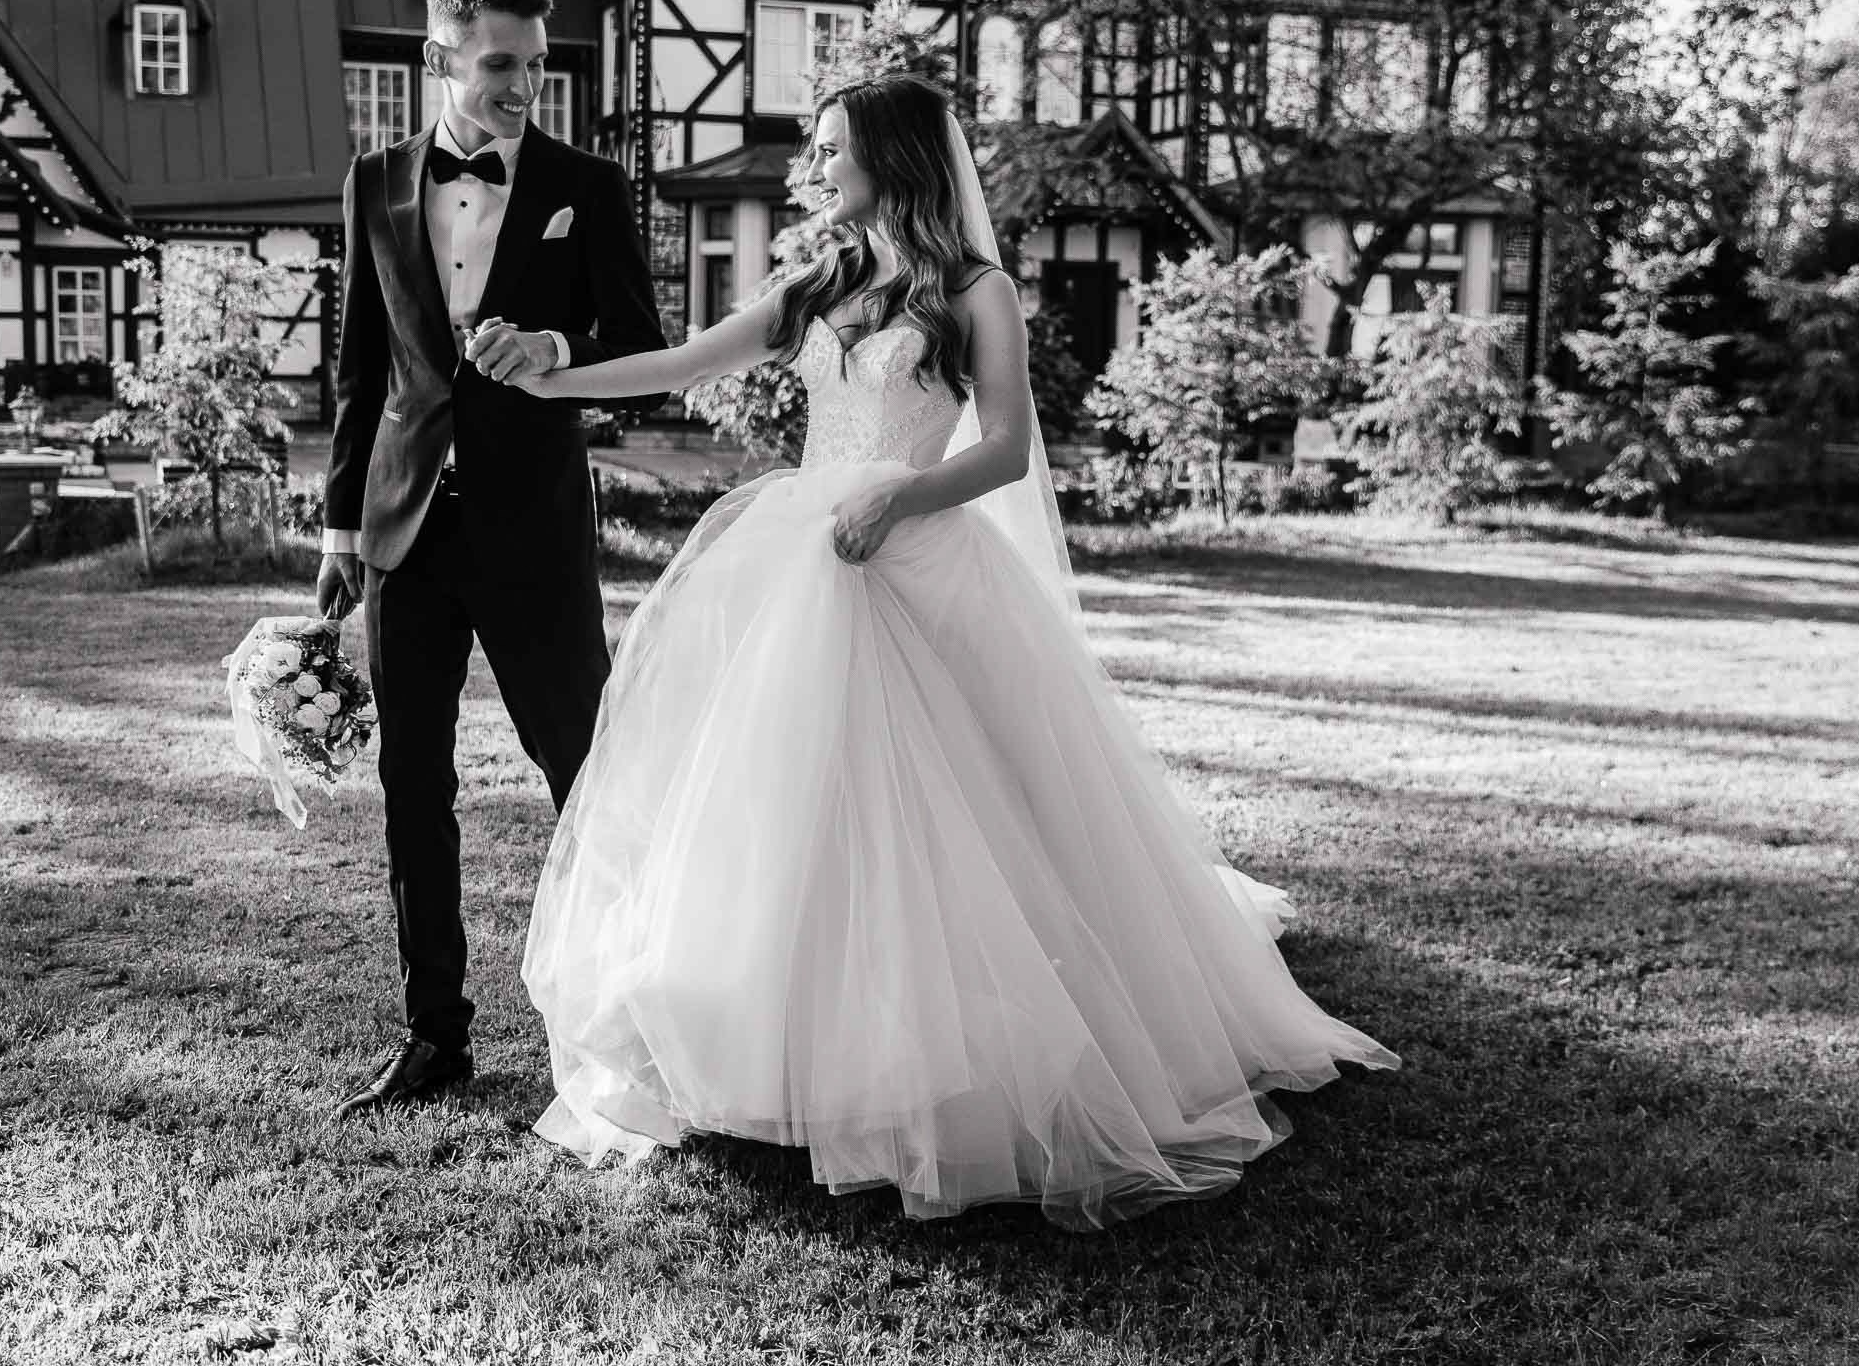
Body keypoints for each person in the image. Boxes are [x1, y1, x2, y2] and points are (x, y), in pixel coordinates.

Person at [509, 72, 1396, 1228]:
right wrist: (554, 378)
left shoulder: (977, 291)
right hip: (796, 556)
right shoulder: (819, 277)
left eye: (834, 149)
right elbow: (684, 363)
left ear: (892, 154)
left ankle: (938, 1049)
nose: (818, 167)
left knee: (945, 808)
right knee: (777, 804)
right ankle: (770, 1037)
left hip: (910, 553)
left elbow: (1010, 448)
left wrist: (902, 501)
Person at [316, 0, 666, 1119]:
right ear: (440, 61)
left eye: (535, 65)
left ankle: (636, 1019)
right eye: (498, 65)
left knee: (585, 770)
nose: (522, 87)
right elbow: (363, 371)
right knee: (410, 782)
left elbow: (641, 343)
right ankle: (434, 1037)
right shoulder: (373, 184)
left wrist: (560, 349)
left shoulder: (587, 184)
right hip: (405, 529)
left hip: (536, 527)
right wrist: (335, 529)